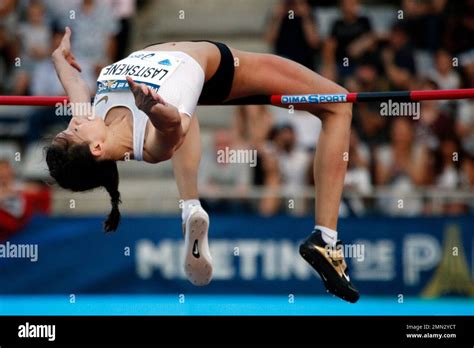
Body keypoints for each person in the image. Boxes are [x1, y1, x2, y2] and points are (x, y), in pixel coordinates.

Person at [46, 27, 358, 302]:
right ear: (97, 148)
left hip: (183, 69)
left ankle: (190, 207)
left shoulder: (91, 116)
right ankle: (326, 240)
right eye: (73, 129)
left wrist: (60, 59)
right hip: (217, 66)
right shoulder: (148, 143)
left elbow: (74, 82)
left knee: (185, 105)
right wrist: (155, 109)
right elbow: (172, 130)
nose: (74, 120)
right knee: (338, 104)